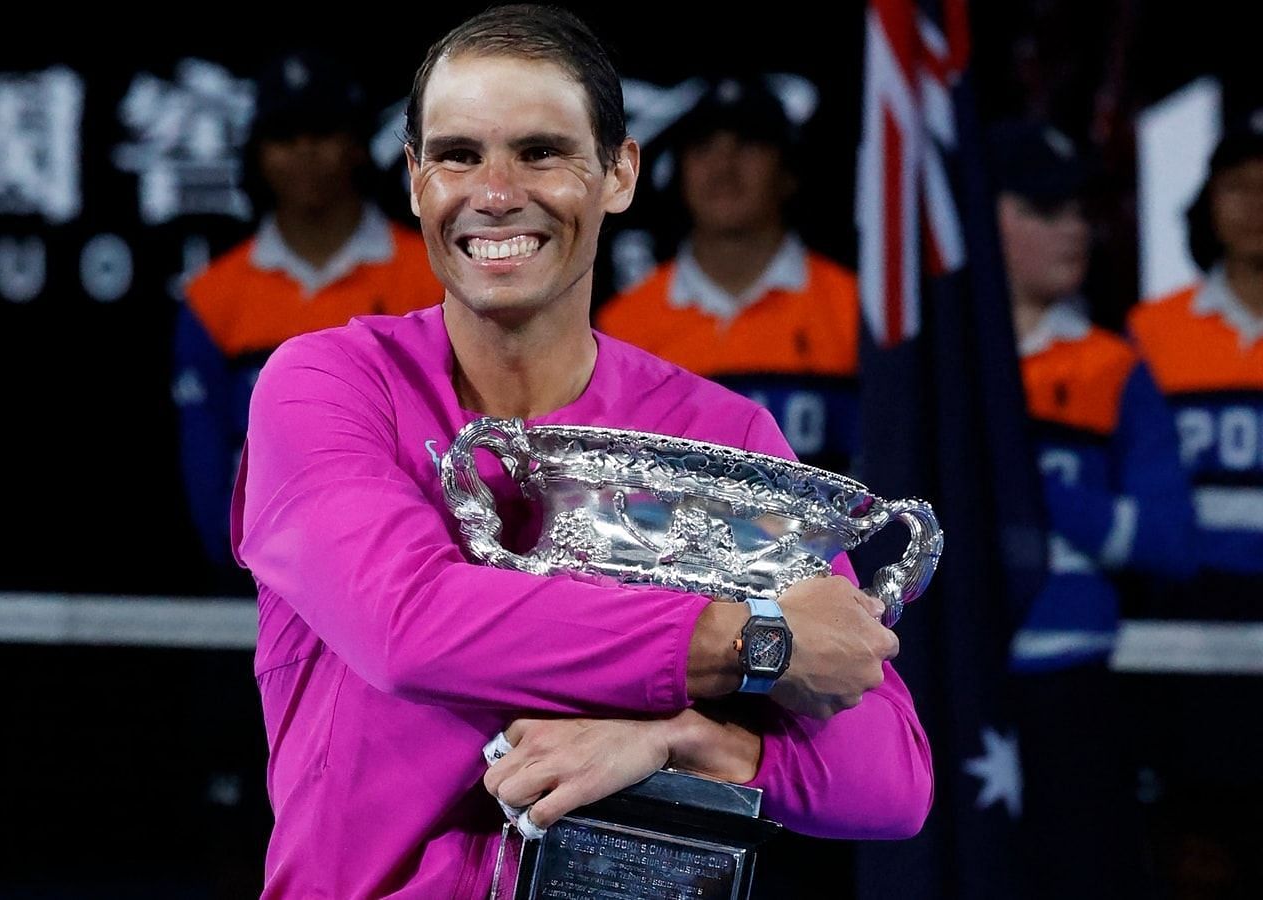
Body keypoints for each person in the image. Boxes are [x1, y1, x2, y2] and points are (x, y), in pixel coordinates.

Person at [232, 6, 930, 897]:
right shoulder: (327, 386)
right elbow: (406, 626)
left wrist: (675, 739)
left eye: (540, 152)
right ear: (414, 182)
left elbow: (893, 779)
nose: (494, 192)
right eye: (456, 155)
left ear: (620, 173)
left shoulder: (720, 434)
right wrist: (751, 642)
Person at [988, 120, 1195, 898]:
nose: (1073, 229)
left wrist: (1040, 492)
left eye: (1079, 210)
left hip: (1073, 689)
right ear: (988, 218)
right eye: (1045, 210)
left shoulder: (1114, 367)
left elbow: (1172, 543)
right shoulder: (927, 375)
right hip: (949, 682)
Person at [173, 48, 441, 567]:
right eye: (284, 137)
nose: (304, 153)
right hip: (261, 576)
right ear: (257, 153)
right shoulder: (213, 296)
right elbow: (205, 462)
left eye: (323, 133)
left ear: (357, 145)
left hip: (403, 570)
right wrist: (235, 569)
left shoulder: (430, 278)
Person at [1126, 107, 1263, 894]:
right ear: (1207, 203)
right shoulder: (1151, 333)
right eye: (1237, 186)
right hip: (1180, 658)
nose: (1255, 203)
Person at [595, 74, 859, 475]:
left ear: (789, 172)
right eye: (702, 148)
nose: (724, 165)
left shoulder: (854, 311)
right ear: (677, 173)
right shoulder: (623, 324)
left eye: (749, 144)